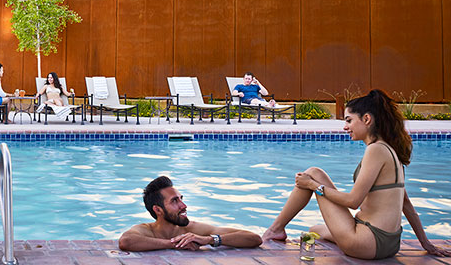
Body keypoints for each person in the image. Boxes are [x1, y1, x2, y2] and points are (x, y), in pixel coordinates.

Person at [261, 89, 451, 259]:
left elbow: (353, 201)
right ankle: (281, 229)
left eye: (349, 120)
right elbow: (406, 205)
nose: (345, 127)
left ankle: (275, 229)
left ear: (367, 119)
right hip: (390, 244)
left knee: (313, 173)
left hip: (367, 242)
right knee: (314, 229)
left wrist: (312, 185)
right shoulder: (391, 151)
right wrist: (427, 244)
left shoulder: (375, 150)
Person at [118, 176, 262, 252]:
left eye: (181, 199)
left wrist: (209, 240)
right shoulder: (146, 230)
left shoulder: (194, 230)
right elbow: (126, 241)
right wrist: (174, 244)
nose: (184, 206)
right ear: (158, 210)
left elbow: (254, 238)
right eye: (175, 201)